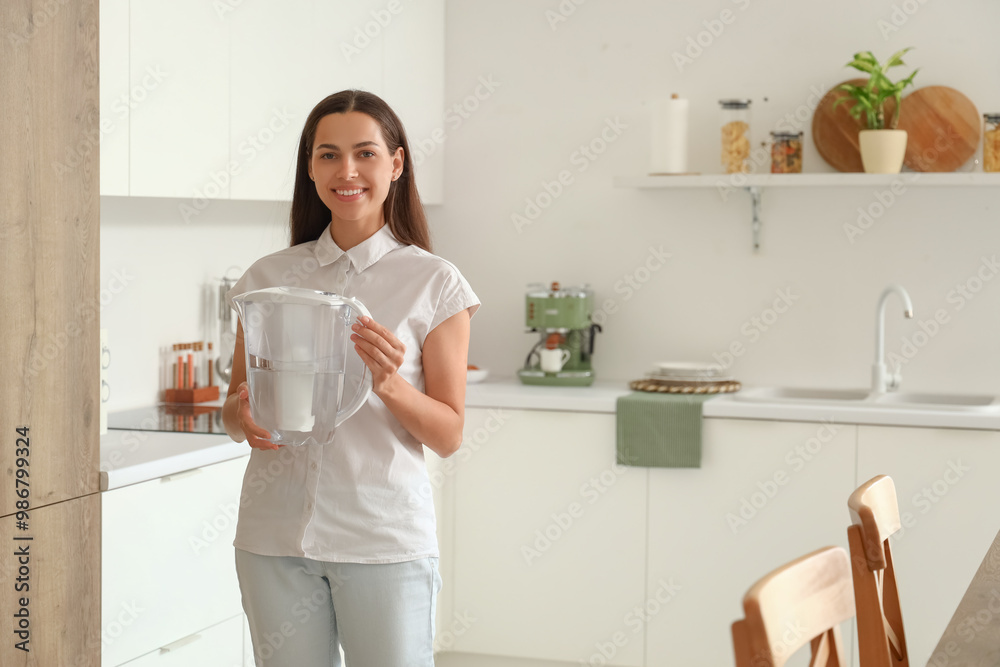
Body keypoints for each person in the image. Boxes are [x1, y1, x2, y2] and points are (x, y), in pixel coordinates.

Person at [221, 89, 480, 666]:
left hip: (380, 540)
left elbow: (448, 434)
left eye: (365, 153)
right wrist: (243, 415)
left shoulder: (434, 283)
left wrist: (390, 384)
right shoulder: (268, 277)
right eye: (328, 155)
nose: (348, 171)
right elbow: (232, 414)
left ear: (397, 162)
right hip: (272, 538)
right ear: (310, 167)